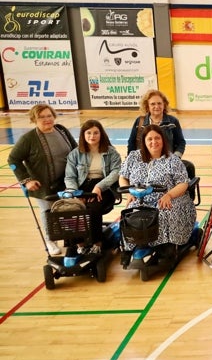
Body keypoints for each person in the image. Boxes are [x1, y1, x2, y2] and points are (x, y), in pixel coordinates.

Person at [8, 104, 77, 255]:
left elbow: (75, 149)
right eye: (42, 117)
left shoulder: (62, 130)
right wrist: (26, 180)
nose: (47, 119)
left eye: (49, 115)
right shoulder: (28, 139)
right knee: (48, 212)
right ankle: (50, 240)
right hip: (44, 184)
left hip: (67, 181)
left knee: (70, 209)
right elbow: (13, 159)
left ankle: (71, 238)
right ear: (34, 119)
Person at [119, 124, 196, 256]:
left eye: (157, 138)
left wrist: (169, 195)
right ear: (144, 141)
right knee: (131, 211)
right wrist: (129, 194)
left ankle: (166, 245)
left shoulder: (172, 160)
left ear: (163, 140)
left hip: (170, 197)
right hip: (141, 197)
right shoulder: (133, 157)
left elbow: (183, 184)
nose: (154, 142)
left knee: (162, 211)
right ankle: (134, 245)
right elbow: (122, 177)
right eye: (150, 139)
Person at [64, 120, 121, 254]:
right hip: (81, 187)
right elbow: (70, 177)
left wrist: (99, 187)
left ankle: (97, 243)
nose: (92, 136)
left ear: (101, 134)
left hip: (104, 187)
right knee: (72, 209)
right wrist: (76, 194)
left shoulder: (111, 152)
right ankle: (80, 244)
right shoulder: (75, 154)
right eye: (88, 133)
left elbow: (116, 172)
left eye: (96, 133)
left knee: (93, 209)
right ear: (83, 135)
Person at [127, 89, 186, 158]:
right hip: (143, 162)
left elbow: (181, 143)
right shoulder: (139, 122)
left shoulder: (173, 121)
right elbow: (131, 143)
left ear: (164, 104)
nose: (157, 106)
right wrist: (131, 159)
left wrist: (176, 158)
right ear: (147, 106)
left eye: (159, 103)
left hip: (167, 162)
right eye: (153, 104)